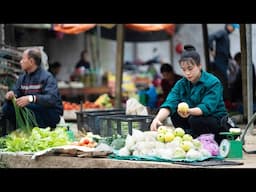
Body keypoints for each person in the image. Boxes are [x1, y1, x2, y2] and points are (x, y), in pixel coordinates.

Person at [150, 45, 228, 144]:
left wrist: (189, 111)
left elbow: (206, 107)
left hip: (215, 122)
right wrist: (157, 119)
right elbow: (170, 102)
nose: (187, 73)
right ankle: (190, 139)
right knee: (175, 114)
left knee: (195, 120)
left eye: (190, 68)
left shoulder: (213, 82)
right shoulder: (181, 84)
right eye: (184, 69)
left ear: (199, 66)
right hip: (193, 119)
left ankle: (209, 141)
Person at [1, 48, 63, 131]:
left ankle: (36, 130)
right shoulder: (23, 78)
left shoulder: (47, 77)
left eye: (23, 59)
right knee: (7, 107)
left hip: (48, 113)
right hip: (31, 110)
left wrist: (31, 98)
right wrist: (12, 94)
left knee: (31, 110)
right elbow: (16, 91)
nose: (21, 62)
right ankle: (11, 132)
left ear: (31, 61)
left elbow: (51, 99)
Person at [208, 24, 239, 100]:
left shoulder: (226, 35)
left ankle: (225, 101)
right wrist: (211, 49)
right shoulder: (222, 32)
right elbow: (211, 37)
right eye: (233, 27)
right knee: (221, 81)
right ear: (228, 25)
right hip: (219, 61)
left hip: (224, 62)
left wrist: (231, 59)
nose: (233, 30)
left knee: (225, 81)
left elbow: (227, 51)